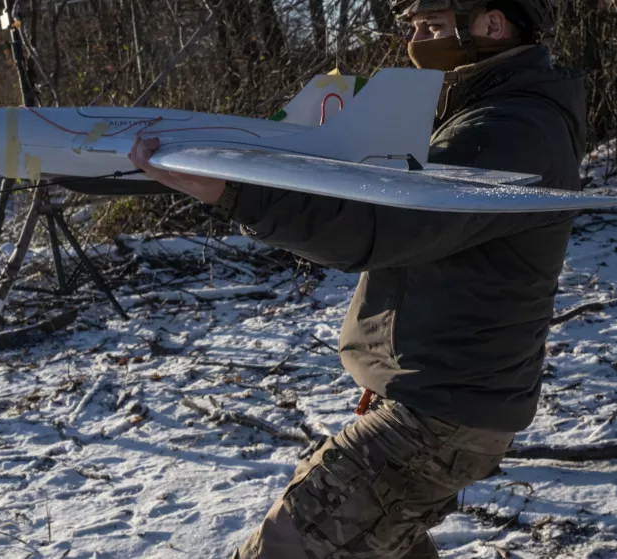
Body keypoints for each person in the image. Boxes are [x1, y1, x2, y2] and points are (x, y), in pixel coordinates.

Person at [128, 0, 582, 557]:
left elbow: (382, 222)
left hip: (440, 415)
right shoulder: (475, 114)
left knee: (284, 548)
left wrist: (236, 192)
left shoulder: (513, 128)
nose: (418, 41)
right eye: (413, 27)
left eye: (434, 26)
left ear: (493, 23)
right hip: (430, 400)